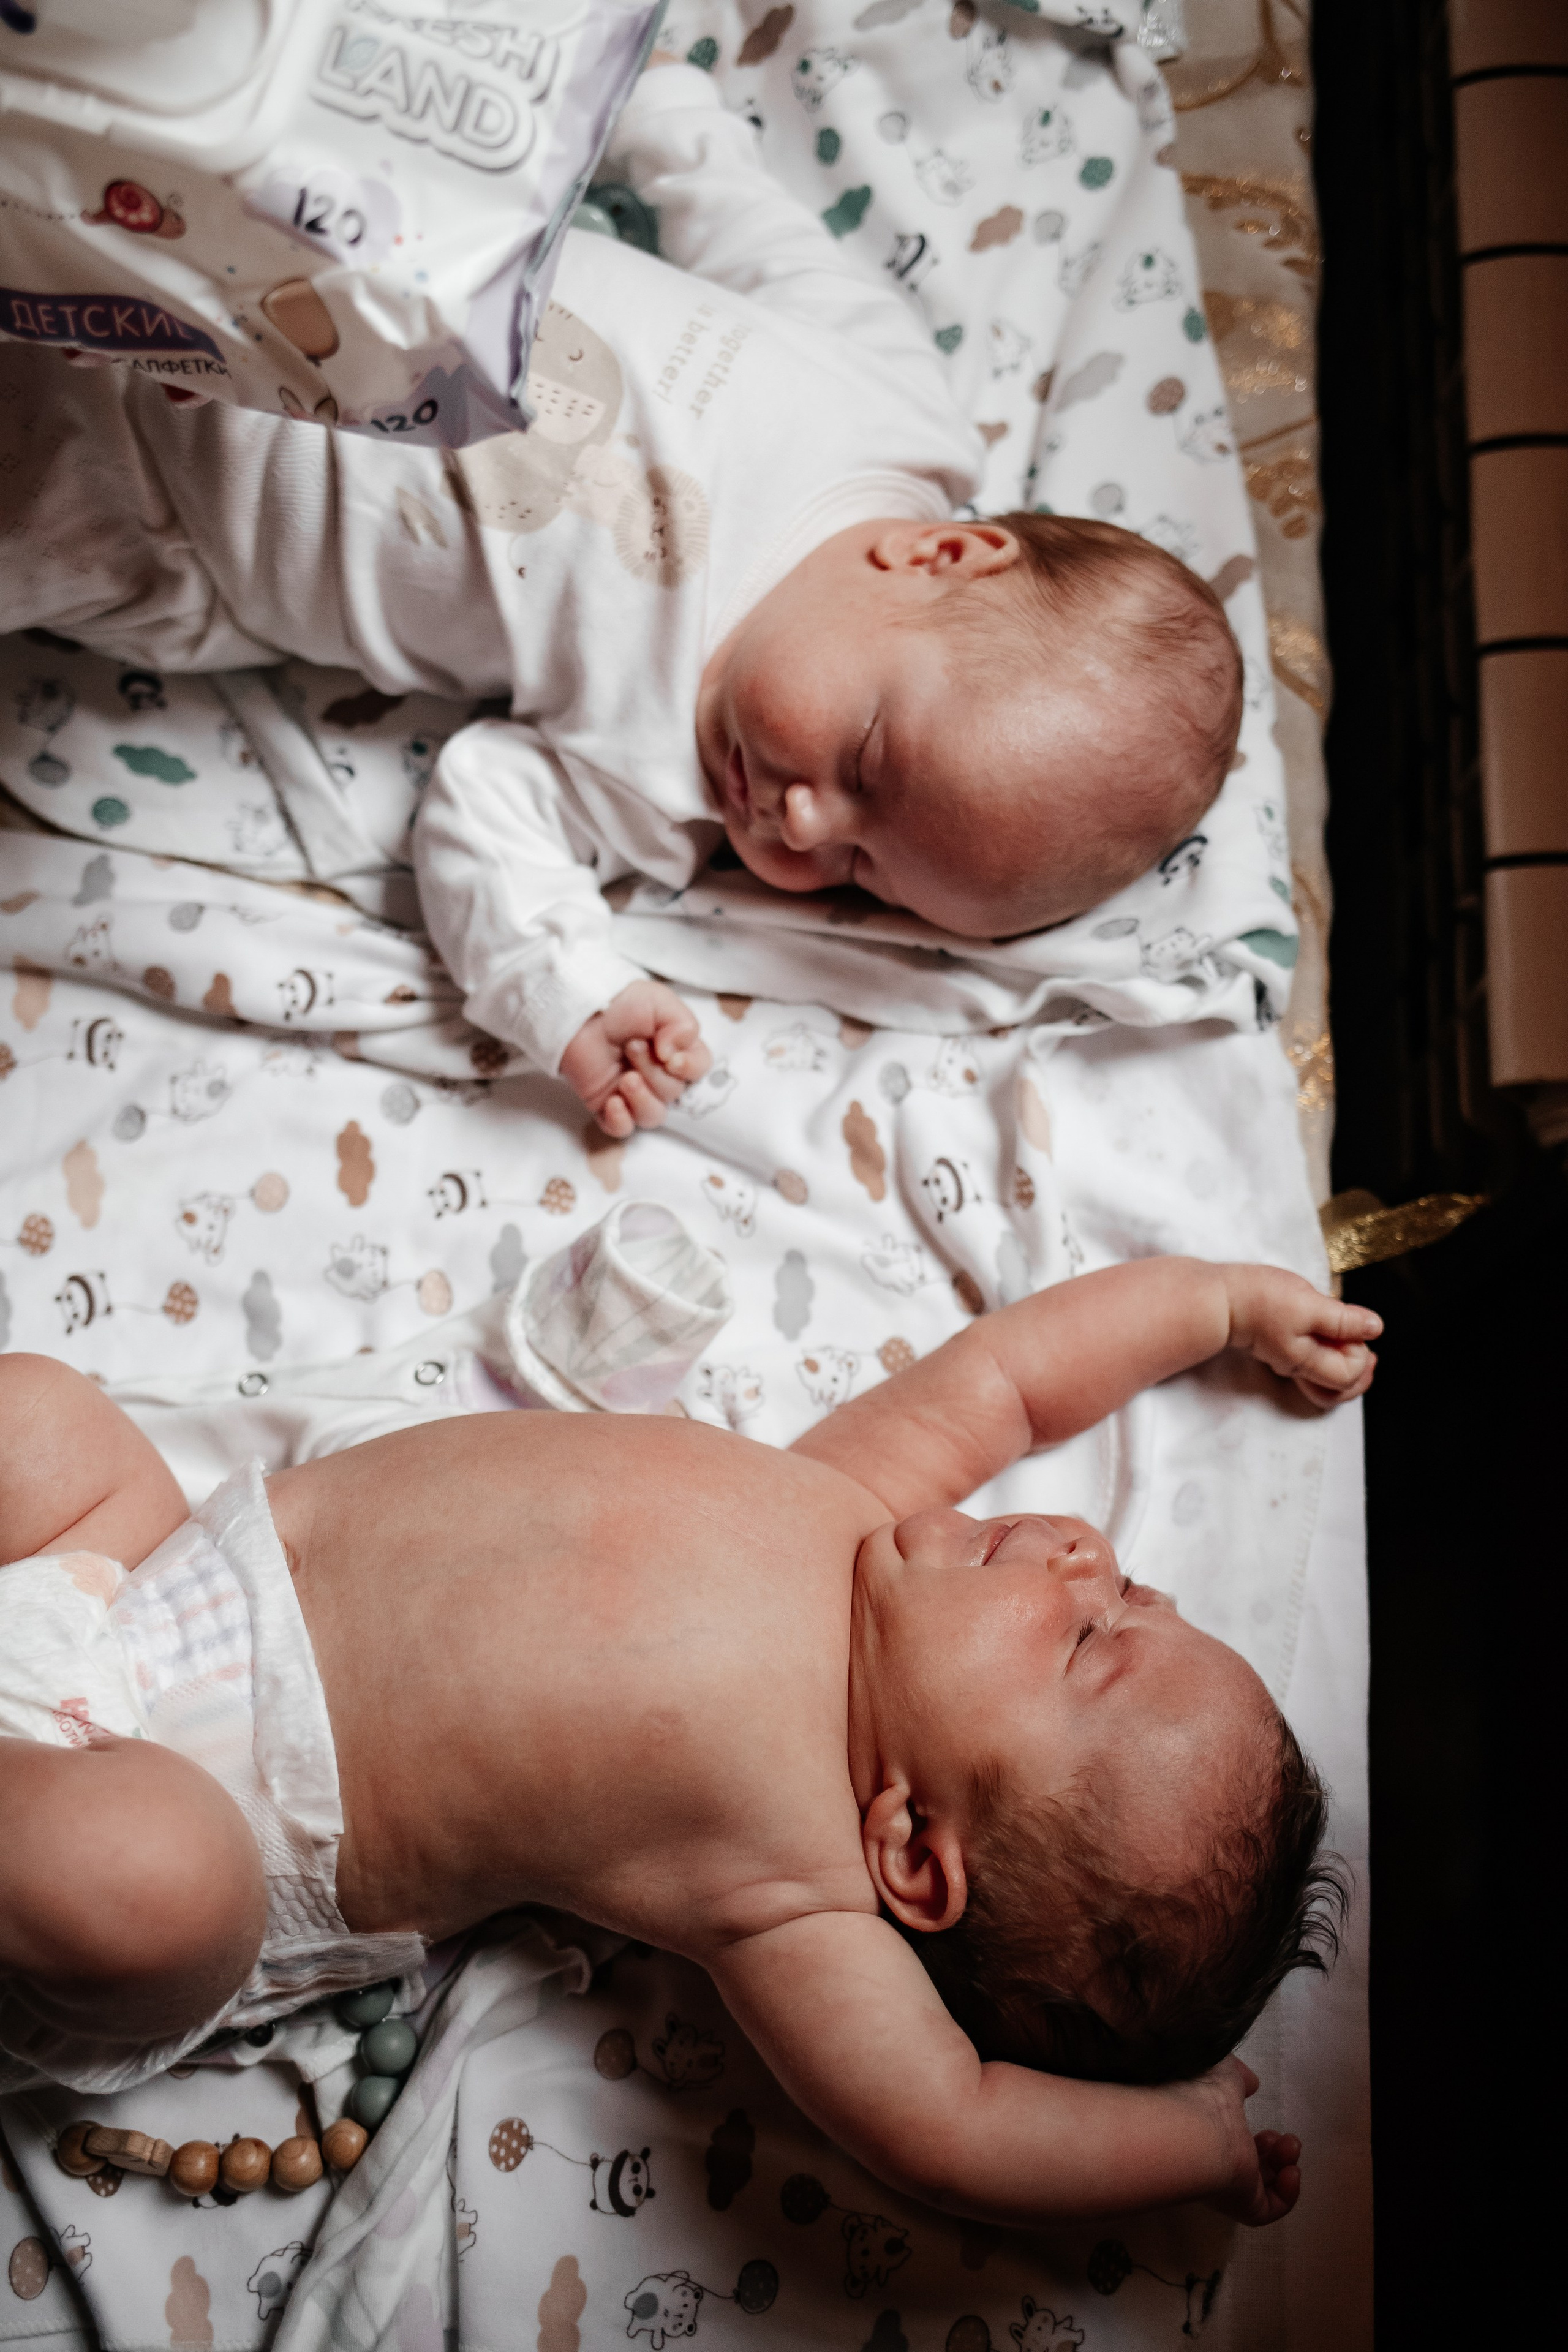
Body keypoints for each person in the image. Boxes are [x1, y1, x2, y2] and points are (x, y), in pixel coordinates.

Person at [0, 1254, 1378, 2228]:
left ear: (915, 1850)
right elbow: (1010, 1380)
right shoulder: (848, 1504)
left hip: (211, 1810)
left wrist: (1187, 2146)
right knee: (38, 1416)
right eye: (1136, 1587)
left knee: (144, 1875)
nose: (1087, 1557)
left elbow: (952, 2127)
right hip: (145, 1575)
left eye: (1086, 1640)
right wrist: (1213, 1306)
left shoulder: (795, 1890)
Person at [0, 64, 1240, 1140]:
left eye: (859, 873)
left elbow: (487, 817)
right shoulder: (889, 410)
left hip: (155, 508)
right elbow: (746, 225)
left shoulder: (662, 789)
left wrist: (569, 992)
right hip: (283, 235)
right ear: (944, 556)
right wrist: (649, 99)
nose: (803, 825)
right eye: (866, 762)